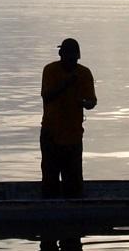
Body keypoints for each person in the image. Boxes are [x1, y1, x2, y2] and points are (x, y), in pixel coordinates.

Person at [39, 37, 97, 198]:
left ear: (78, 57)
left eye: (73, 58)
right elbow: (47, 97)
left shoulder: (84, 73)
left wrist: (86, 103)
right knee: (50, 182)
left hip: (73, 136)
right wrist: (66, 84)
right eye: (67, 57)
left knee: (74, 185)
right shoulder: (50, 70)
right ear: (61, 55)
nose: (70, 61)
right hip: (51, 135)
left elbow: (92, 101)